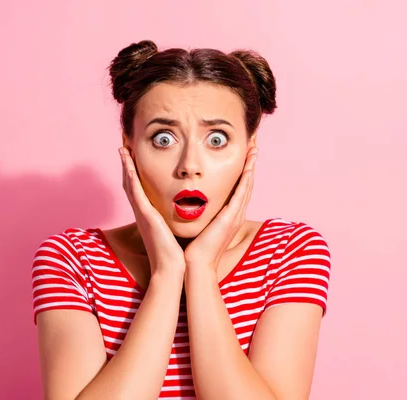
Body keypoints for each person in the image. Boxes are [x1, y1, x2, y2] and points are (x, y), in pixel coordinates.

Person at [31, 40, 331, 400]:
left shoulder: (289, 251)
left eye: (217, 139)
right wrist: (167, 273)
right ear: (128, 147)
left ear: (250, 148)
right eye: (163, 138)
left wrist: (200, 269)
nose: (190, 165)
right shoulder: (71, 259)